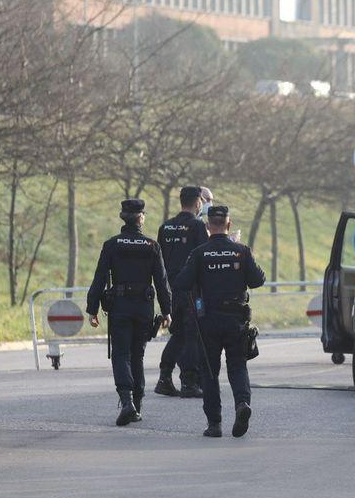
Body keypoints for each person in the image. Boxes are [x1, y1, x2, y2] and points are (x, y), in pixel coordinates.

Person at [173, 206, 266, 438]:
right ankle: (242, 404)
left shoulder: (199, 253)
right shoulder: (241, 251)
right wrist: (244, 254)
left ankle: (214, 424)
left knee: (209, 372)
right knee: (237, 366)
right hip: (236, 319)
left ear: (207, 226)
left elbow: (181, 283)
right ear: (229, 225)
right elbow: (258, 280)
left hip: (208, 322)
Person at [86, 199, 172, 427]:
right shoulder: (152, 246)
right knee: (138, 356)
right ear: (141, 217)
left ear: (122, 217)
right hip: (144, 308)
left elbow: (100, 278)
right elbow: (162, 282)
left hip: (120, 308)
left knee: (121, 355)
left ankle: (126, 402)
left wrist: (92, 309)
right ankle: (138, 403)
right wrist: (167, 311)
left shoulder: (112, 245)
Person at [155, 186, 209, 398]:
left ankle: (164, 376)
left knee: (178, 335)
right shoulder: (196, 226)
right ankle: (189, 381)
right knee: (193, 335)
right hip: (190, 290)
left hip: (170, 289)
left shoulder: (165, 227)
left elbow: (159, 262)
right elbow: (205, 255)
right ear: (197, 202)